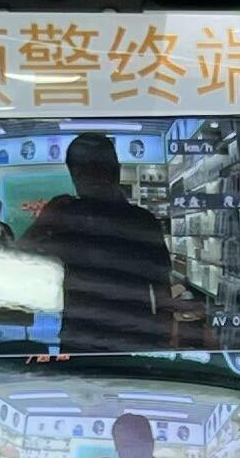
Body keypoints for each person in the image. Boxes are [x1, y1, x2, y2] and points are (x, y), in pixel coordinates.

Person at [26, 132, 173, 353]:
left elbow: (162, 290)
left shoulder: (141, 221)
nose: (91, 177)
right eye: (82, 170)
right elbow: (20, 266)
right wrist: (44, 221)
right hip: (97, 341)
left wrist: (162, 341)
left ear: (114, 170)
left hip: (119, 341)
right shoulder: (67, 217)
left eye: (97, 168)